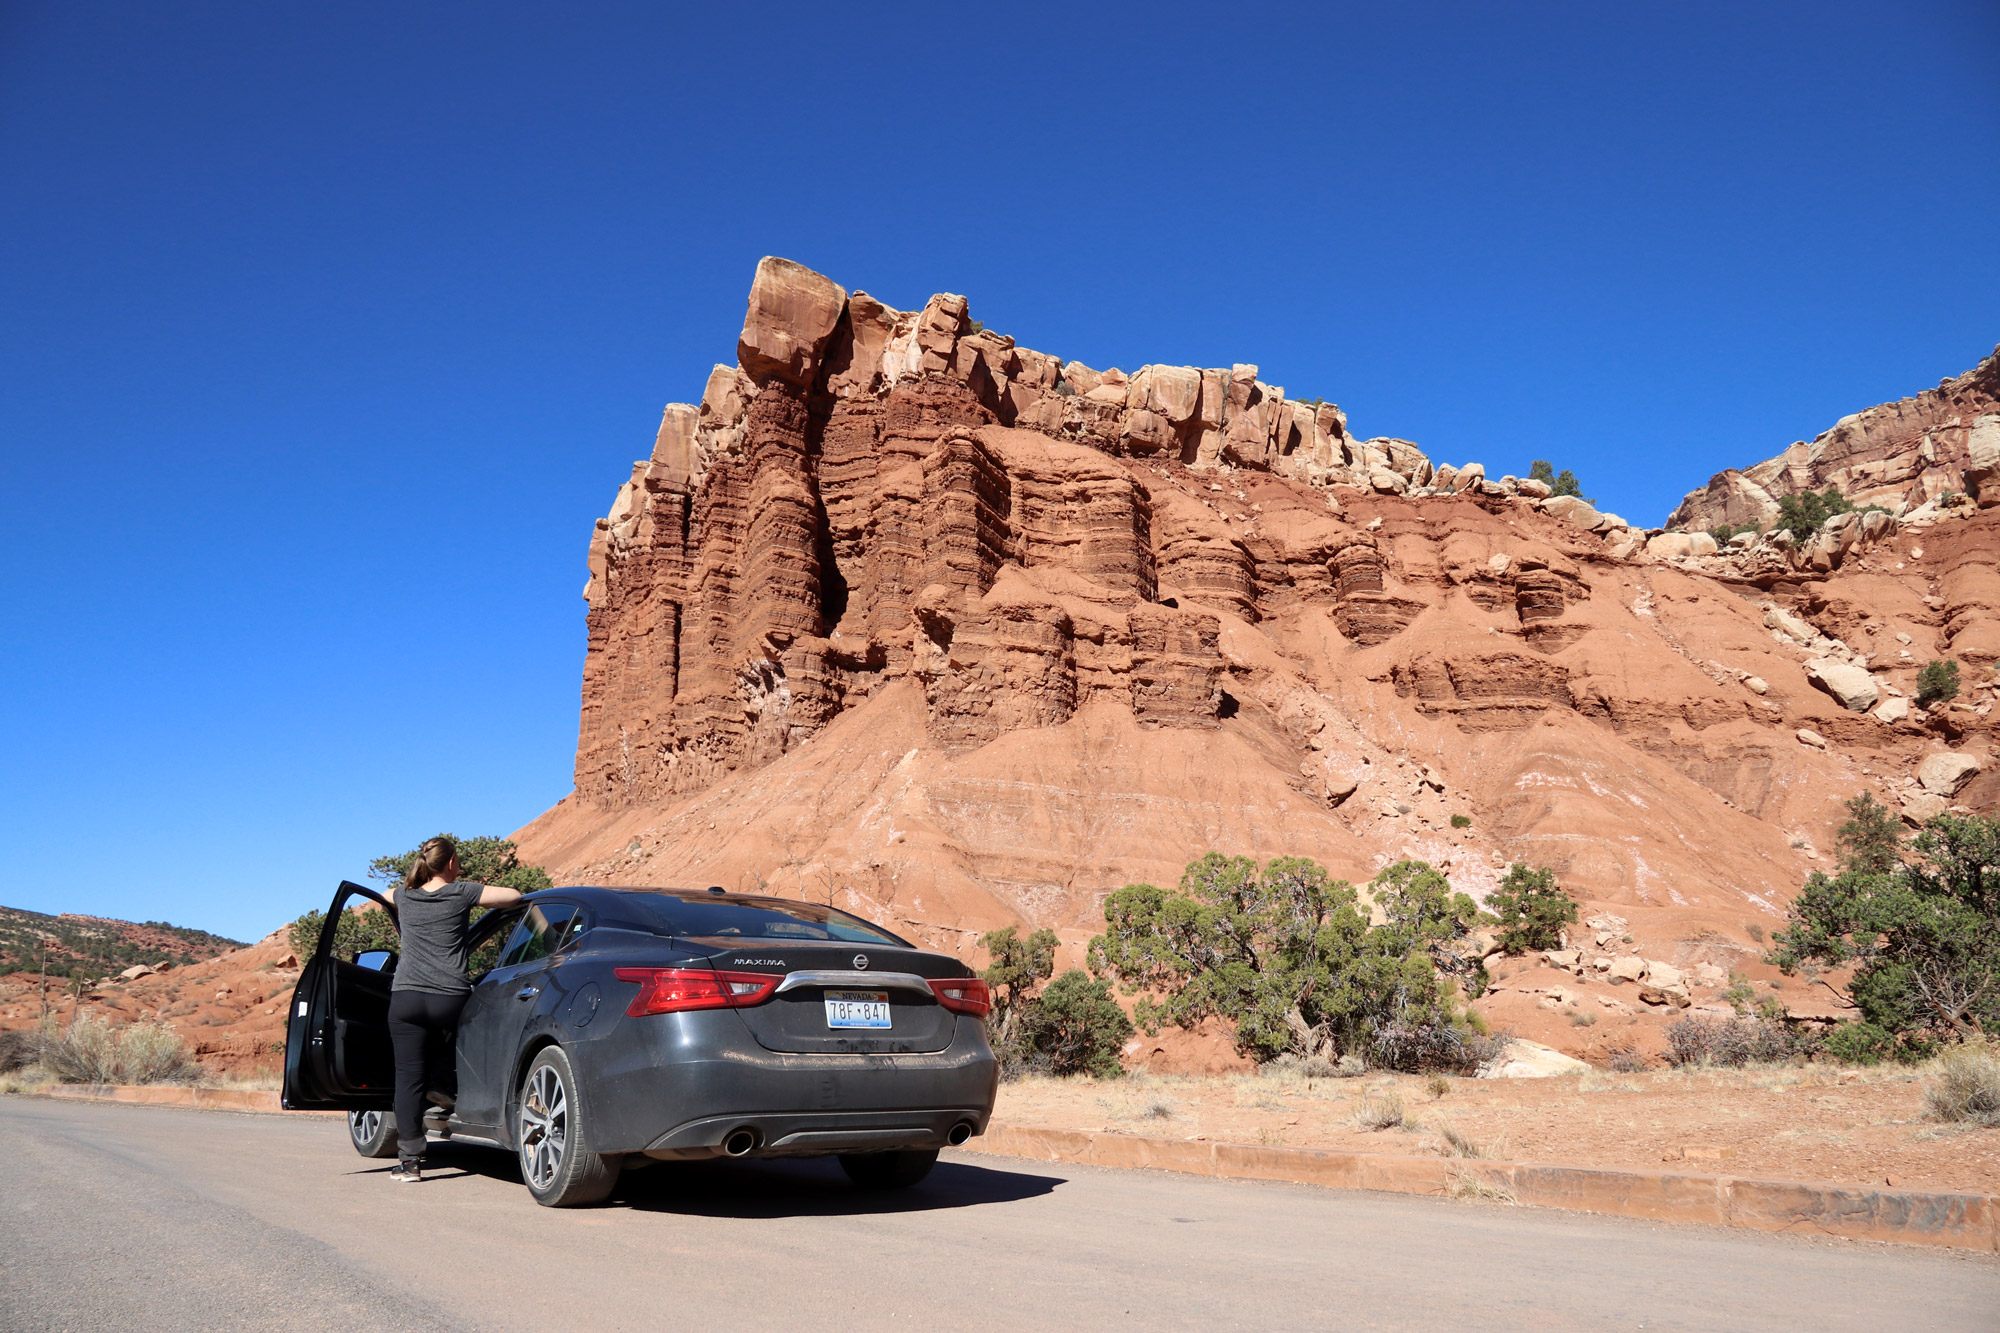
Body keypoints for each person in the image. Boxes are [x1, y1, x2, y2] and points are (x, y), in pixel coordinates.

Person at [380, 836, 522, 1182]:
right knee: (460, 1051)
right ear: (451, 863)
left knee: (407, 1078)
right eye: (458, 861)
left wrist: (405, 906)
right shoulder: (462, 892)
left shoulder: (404, 895)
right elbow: (514, 897)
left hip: (407, 997)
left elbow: (380, 898)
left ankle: (410, 1162)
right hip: (449, 996)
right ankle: (450, 1095)